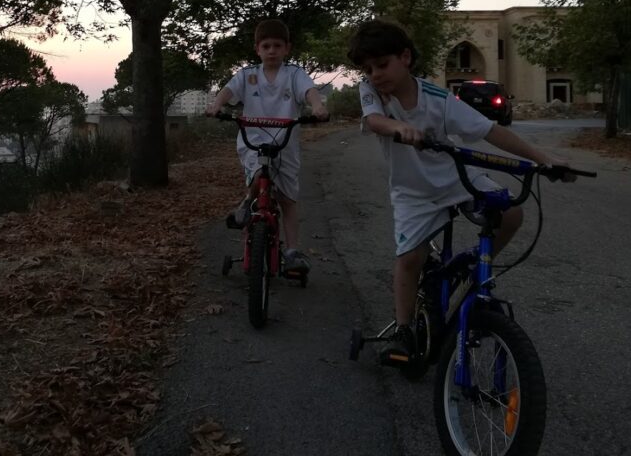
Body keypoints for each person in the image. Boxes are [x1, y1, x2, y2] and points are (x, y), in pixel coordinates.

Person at [348, 18, 569, 364]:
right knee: (409, 260)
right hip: (413, 192)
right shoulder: (373, 93)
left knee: (512, 213)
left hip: (458, 179)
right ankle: (404, 331)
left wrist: (543, 158)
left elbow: (489, 131)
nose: (375, 74)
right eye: (368, 68)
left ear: (405, 57)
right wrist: (400, 127)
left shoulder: (438, 98)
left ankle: (476, 265)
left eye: (382, 64)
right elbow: (375, 121)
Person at [205, 19, 328, 273]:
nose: (272, 50)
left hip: (285, 143)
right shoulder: (247, 75)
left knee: (287, 199)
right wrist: (217, 105)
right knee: (257, 176)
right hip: (254, 139)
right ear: (257, 49)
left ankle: (292, 250)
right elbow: (228, 91)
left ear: (287, 48)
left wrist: (317, 106)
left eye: (277, 46)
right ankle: (247, 204)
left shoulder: (294, 74)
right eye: (266, 46)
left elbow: (309, 92)